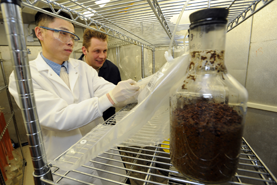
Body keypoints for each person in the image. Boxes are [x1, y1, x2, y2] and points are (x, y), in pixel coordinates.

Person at [8, 8, 139, 164]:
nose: (70, 41)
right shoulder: (23, 77)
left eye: (72, 36)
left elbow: (110, 90)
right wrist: (109, 98)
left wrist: (145, 87)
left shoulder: (83, 68)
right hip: (66, 163)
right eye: (63, 33)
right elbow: (60, 117)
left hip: (101, 154)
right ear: (39, 33)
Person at [79, 28, 121, 121]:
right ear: (85, 50)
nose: (102, 56)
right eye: (97, 51)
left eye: (105, 51)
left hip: (107, 125)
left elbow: (117, 99)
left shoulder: (113, 70)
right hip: (83, 127)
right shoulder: (73, 71)